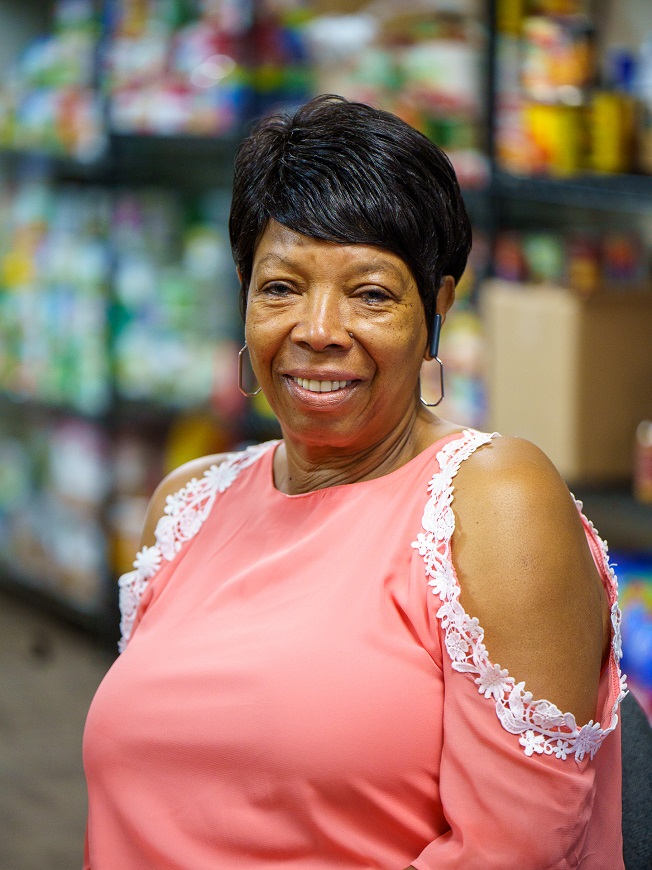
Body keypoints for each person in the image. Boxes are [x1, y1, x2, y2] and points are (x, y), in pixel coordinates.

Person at [83, 95, 626, 869]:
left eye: (371, 293)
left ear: (436, 306)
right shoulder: (185, 506)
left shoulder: (492, 502)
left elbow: (514, 852)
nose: (318, 330)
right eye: (281, 287)